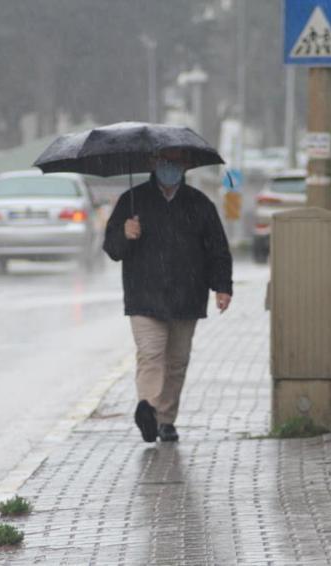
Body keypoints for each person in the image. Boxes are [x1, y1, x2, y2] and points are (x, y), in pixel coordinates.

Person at [103, 149, 233, 443]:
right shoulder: (132, 201)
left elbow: (218, 249)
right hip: (144, 296)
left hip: (187, 296)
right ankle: (147, 408)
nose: (169, 168)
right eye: (164, 162)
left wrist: (222, 286)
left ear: (185, 166)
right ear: (152, 164)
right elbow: (111, 249)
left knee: (177, 361)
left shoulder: (199, 204)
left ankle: (165, 419)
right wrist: (125, 233)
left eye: (175, 162)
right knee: (151, 355)